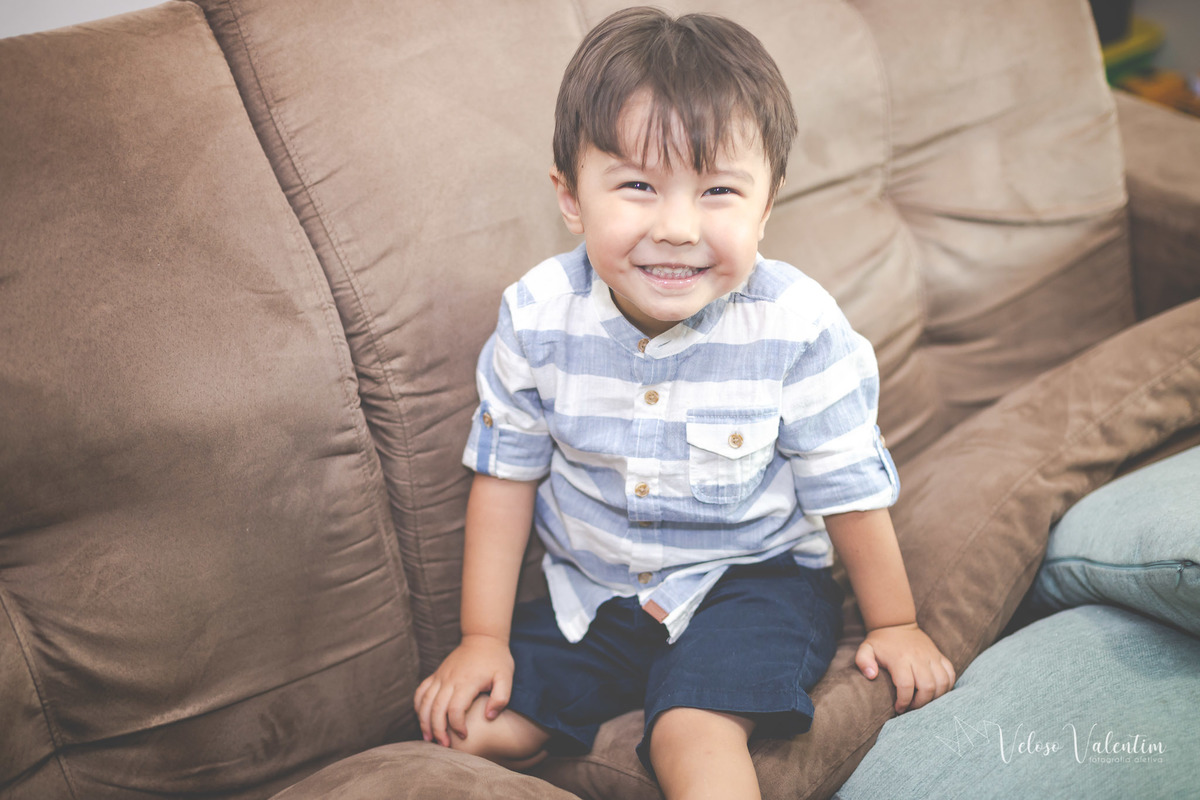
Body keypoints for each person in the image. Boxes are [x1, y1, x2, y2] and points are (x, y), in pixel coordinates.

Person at [414, 7, 955, 798]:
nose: (675, 227)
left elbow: (847, 486)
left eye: (718, 191)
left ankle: (684, 708)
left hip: (752, 583)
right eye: (637, 186)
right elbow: (505, 479)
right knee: (465, 725)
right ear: (571, 196)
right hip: (594, 594)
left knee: (690, 731)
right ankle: (555, 715)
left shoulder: (797, 325)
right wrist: (481, 638)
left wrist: (894, 624)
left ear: (766, 205)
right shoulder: (535, 318)